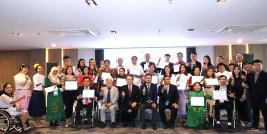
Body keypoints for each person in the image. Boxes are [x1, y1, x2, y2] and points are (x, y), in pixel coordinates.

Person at [246, 59, 267, 131]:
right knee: (255, 112)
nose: (257, 66)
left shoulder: (265, 75)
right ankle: (255, 126)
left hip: (263, 98)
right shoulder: (249, 75)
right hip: (253, 97)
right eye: (255, 65)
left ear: (262, 66)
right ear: (253, 66)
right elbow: (247, 84)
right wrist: (244, 84)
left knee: (265, 113)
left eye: (259, 65)